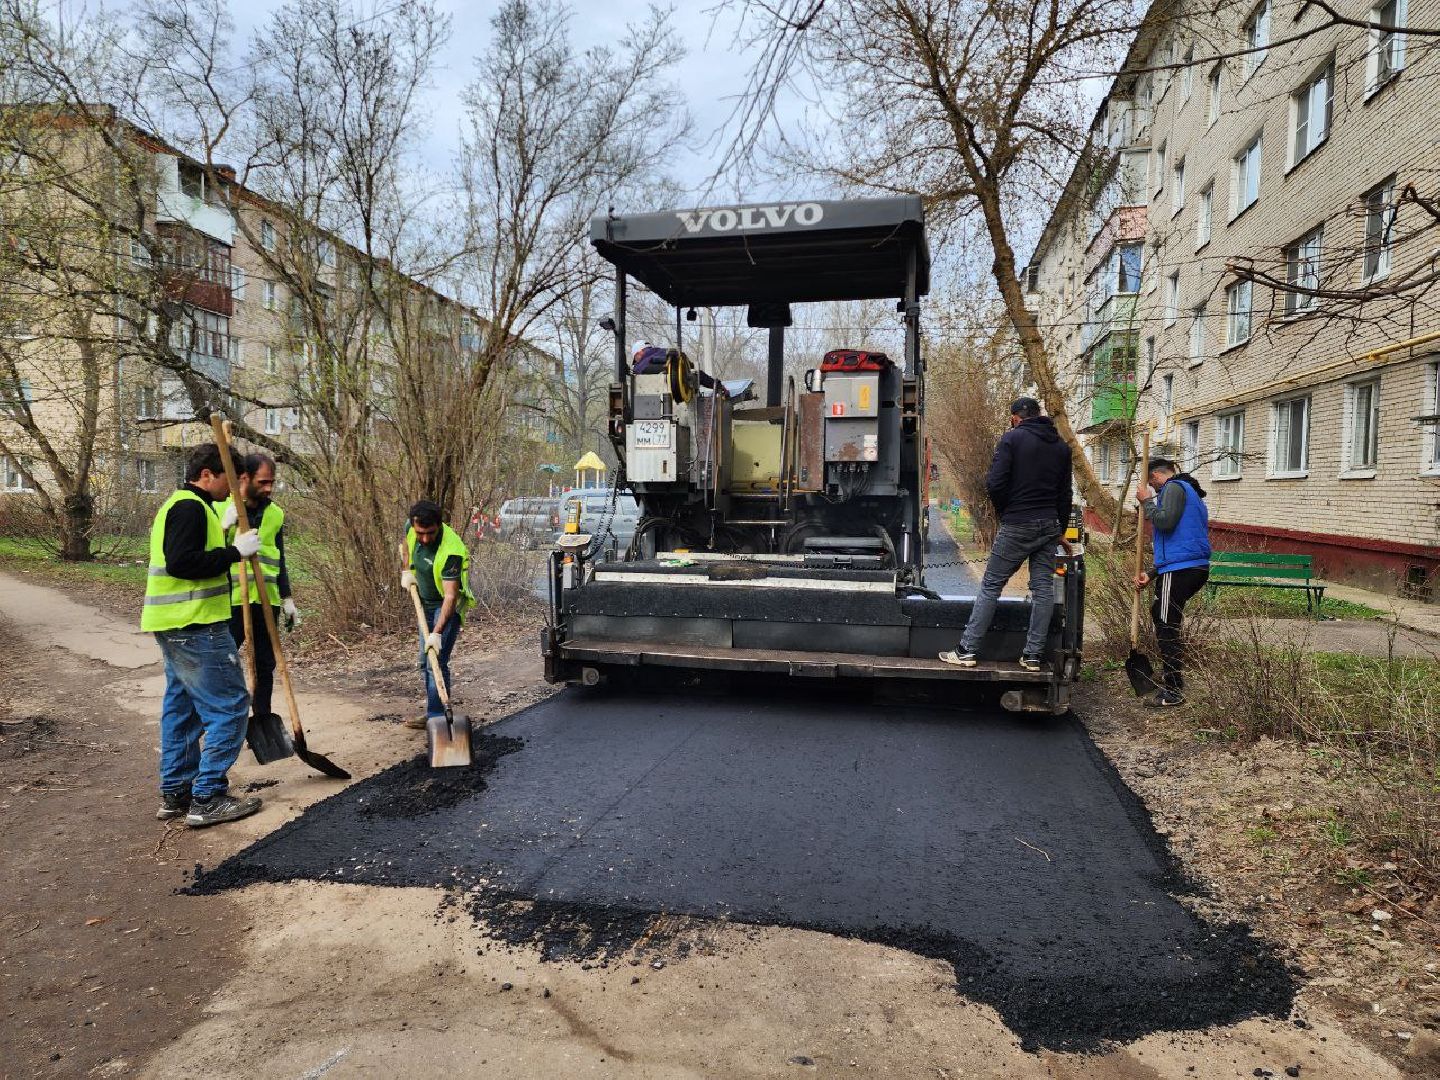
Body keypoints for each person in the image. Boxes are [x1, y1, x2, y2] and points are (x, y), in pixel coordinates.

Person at [141, 443, 264, 828]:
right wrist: (235, 554)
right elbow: (181, 562)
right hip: (196, 628)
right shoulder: (189, 507)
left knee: (181, 710)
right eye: (231, 479)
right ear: (207, 475)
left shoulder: (189, 506)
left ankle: (176, 792)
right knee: (229, 705)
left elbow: (189, 551)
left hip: (175, 625)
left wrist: (224, 533)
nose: (234, 488)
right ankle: (207, 796)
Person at [940, 397, 1073, 670]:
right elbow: (1065, 493)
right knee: (1043, 590)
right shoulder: (1061, 447)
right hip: (1049, 524)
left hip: (1018, 522)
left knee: (991, 585)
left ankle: (967, 650)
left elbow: (995, 483)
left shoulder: (1012, 440)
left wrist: (1006, 513)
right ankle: (1033, 655)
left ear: (1016, 417)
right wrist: (1058, 528)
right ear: (1039, 415)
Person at [220, 452, 300, 728]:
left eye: (272, 483)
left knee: (265, 664)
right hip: (230, 601)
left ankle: (262, 721)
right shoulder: (225, 508)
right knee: (225, 662)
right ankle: (226, 722)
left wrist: (287, 597)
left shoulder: (276, 513)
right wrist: (224, 527)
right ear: (245, 478)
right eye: (263, 482)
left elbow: (279, 558)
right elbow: (209, 553)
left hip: (267, 600)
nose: (268, 488)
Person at [1135, 456, 1211, 707]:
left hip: (1181, 570)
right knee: (1162, 615)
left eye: (1152, 484)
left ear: (1156, 477)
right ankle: (1171, 679)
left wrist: (1146, 501)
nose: (1154, 490)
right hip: (1188, 567)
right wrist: (1153, 572)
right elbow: (1181, 540)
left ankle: (1173, 690)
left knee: (1166, 624)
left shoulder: (1173, 488)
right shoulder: (1190, 492)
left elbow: (1165, 522)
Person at [399, 501, 477, 731]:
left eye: (430, 533)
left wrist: (436, 633)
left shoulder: (451, 550)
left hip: (445, 609)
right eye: (420, 533)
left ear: (439, 525)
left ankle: (436, 717)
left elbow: (451, 597)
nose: (424, 539)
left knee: (437, 661)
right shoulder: (410, 527)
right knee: (426, 661)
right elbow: (405, 544)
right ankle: (435, 712)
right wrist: (407, 569)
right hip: (423, 602)